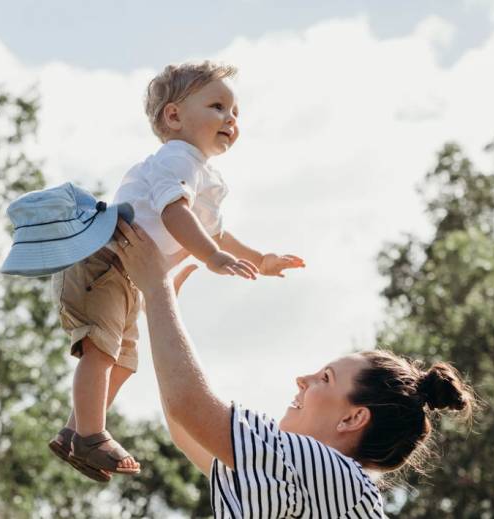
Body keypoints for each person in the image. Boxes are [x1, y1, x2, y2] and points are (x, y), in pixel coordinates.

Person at [111, 218, 476, 518]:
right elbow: (186, 428)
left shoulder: (334, 474)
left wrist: (157, 289)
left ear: (352, 419)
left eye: (325, 379)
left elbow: (189, 408)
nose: (302, 379)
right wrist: (159, 309)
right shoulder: (310, 482)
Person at [48, 61, 305, 481]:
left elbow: (216, 233)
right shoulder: (176, 159)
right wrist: (209, 256)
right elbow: (174, 215)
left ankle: (75, 431)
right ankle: (91, 435)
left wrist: (260, 259)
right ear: (174, 116)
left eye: (235, 112)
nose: (231, 118)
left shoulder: (204, 174)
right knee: (101, 350)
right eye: (218, 106)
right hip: (104, 261)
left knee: (125, 361)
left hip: (129, 275)